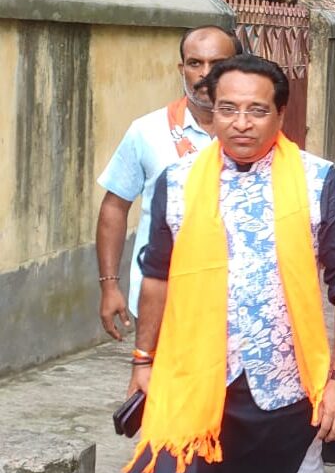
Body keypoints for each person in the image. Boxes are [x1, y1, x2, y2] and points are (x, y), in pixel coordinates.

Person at [123, 54, 335, 473]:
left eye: (257, 110)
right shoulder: (177, 182)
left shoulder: (318, 181)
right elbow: (156, 277)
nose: (241, 123)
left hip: (285, 382)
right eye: (227, 109)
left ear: (281, 115)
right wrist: (142, 359)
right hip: (190, 377)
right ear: (209, 111)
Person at [96, 25, 240, 339]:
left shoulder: (252, 134)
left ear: (237, 67)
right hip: (160, 304)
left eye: (218, 64)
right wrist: (109, 286)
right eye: (195, 63)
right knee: (159, 388)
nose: (205, 74)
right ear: (182, 68)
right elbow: (114, 207)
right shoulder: (146, 131)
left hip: (238, 309)